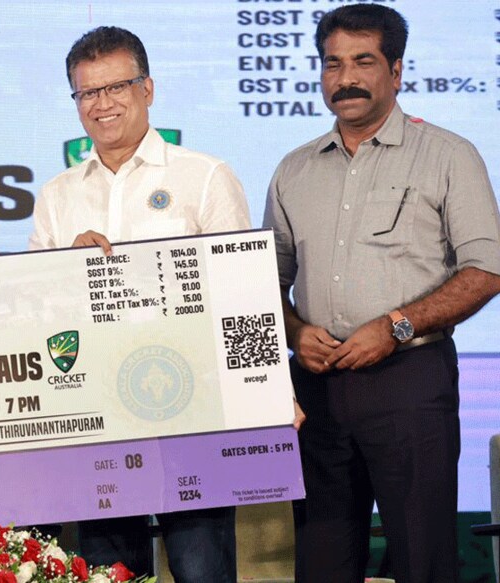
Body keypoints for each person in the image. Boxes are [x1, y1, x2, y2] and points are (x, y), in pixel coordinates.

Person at [264, 5, 500, 582]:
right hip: (316, 390)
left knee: (423, 559)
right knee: (321, 564)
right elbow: (267, 281)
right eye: (332, 64)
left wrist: (396, 326)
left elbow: (487, 269)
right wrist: (295, 333)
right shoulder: (293, 170)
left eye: (363, 61)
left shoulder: (449, 154)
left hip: (410, 386)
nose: (345, 77)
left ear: (396, 71)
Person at [29, 26, 257, 583]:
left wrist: (266, 395)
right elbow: (37, 310)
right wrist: (64, 273)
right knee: (110, 572)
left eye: (117, 87)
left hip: (193, 408)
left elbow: (242, 293)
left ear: (148, 89)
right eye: (87, 93)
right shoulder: (57, 195)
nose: (102, 104)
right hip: (96, 413)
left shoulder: (203, 176)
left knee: (202, 568)